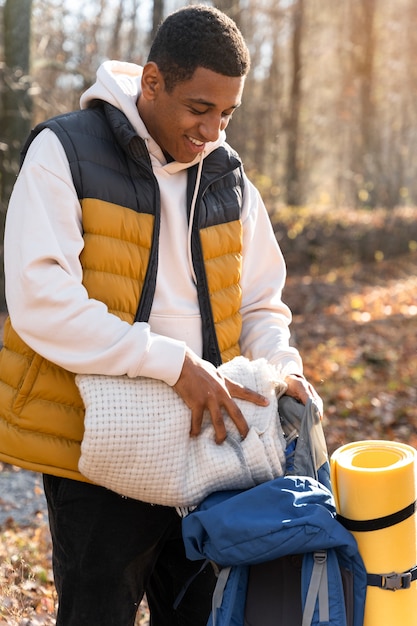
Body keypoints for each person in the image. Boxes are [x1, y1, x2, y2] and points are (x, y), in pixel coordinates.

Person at [0, 5, 321, 625]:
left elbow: (260, 301)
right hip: (101, 444)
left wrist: (281, 366)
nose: (212, 131)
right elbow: (41, 299)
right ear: (151, 82)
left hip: (213, 444)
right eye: (199, 109)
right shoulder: (64, 151)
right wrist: (173, 366)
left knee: (205, 614)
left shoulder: (230, 177)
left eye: (227, 113)